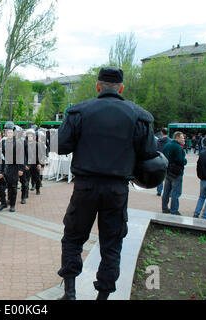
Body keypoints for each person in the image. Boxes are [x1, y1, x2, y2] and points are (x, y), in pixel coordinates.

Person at [56, 67, 158, 300]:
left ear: (97, 86)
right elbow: (150, 154)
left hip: (85, 187)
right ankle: (102, 296)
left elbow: (60, 146)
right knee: (111, 244)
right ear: (121, 88)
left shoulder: (78, 112)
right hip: (117, 190)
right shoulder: (139, 116)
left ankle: (70, 293)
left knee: (72, 238)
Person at [0, 121, 25, 212]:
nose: (8, 133)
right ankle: (7, 201)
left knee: (13, 186)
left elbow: (20, 156)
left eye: (10, 131)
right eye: (7, 131)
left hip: (14, 167)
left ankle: (12, 204)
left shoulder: (18, 143)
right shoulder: (3, 142)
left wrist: (21, 168)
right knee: (5, 186)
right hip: (5, 167)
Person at [161, 132, 187, 215]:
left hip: (167, 171)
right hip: (176, 172)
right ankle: (174, 210)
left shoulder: (167, 145)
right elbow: (180, 160)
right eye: (182, 138)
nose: (184, 139)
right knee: (176, 192)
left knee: (166, 191)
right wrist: (185, 161)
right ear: (177, 138)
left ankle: (165, 208)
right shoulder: (178, 147)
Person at [26, 129, 46, 195]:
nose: (29, 138)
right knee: (26, 179)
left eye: (31, 136)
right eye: (28, 136)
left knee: (37, 178)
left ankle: (38, 189)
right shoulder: (25, 144)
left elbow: (41, 155)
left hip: (35, 163)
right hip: (27, 164)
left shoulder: (37, 144)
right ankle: (26, 192)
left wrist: (40, 164)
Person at [156, 128, 171, 196]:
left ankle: (159, 191)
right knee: (169, 177)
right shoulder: (170, 141)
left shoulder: (158, 141)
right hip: (168, 160)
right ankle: (169, 192)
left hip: (160, 160)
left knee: (160, 176)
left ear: (162, 133)